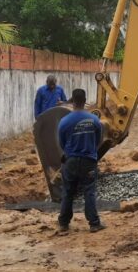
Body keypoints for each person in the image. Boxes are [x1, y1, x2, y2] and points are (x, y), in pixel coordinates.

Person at [57, 88, 105, 233]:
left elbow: (62, 142)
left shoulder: (64, 121)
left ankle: (64, 224)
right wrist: (90, 150)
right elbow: (99, 140)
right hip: (88, 161)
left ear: (72, 101)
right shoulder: (94, 120)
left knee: (68, 192)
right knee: (89, 191)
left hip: (70, 161)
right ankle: (94, 224)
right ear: (85, 101)